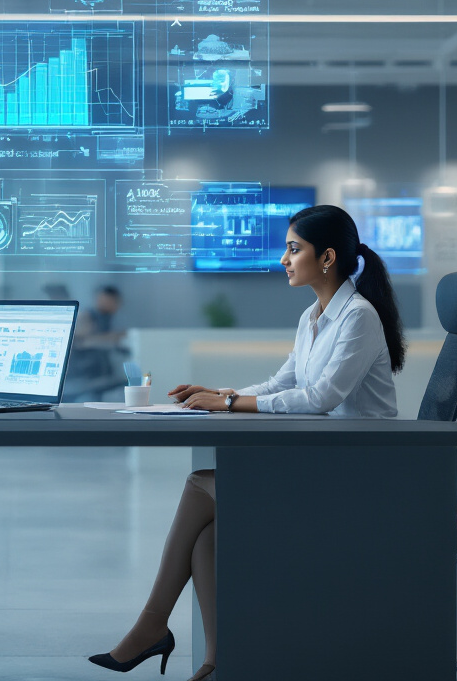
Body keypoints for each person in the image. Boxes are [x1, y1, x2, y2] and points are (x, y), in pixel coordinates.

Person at [88, 205, 406, 681]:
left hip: (357, 476)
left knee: (201, 484)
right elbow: (283, 382)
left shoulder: (357, 317)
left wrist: (230, 404)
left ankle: (153, 626)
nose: (284, 258)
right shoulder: (314, 316)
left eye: (294, 248)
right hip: (326, 459)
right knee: (209, 538)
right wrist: (219, 394)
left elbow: (321, 398)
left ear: (327, 258)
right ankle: (216, 661)